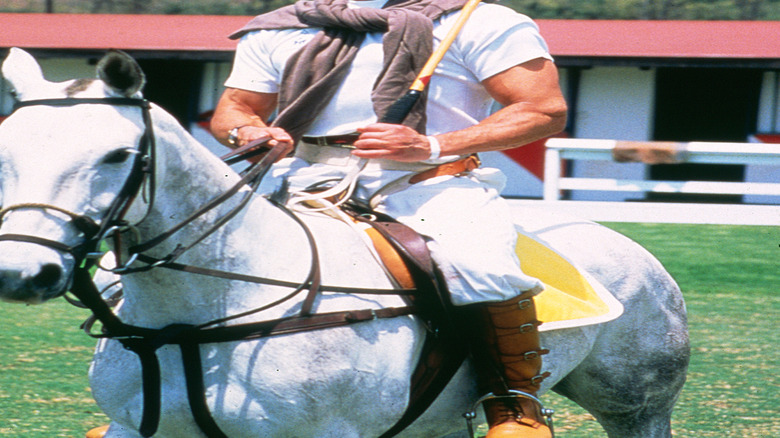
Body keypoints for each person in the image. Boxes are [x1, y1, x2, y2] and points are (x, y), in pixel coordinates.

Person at [211, 0, 567, 436]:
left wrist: (432, 145)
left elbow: (542, 110)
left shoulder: (480, 20)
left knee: (481, 267)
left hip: (425, 182)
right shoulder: (285, 25)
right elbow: (235, 108)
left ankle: (515, 407)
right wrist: (248, 131)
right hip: (303, 176)